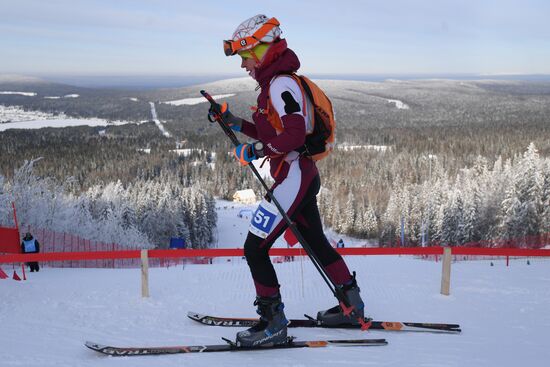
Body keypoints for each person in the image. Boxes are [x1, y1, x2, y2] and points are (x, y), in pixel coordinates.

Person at [210, 15, 365, 347]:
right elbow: (276, 130)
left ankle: (273, 323)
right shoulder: (278, 84)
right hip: (301, 174)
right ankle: (353, 307)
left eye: (245, 55)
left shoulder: (280, 84)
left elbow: (293, 135)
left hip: (293, 176)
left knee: (255, 248)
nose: (243, 64)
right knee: (316, 242)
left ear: (263, 50)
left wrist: (255, 150)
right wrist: (234, 121)